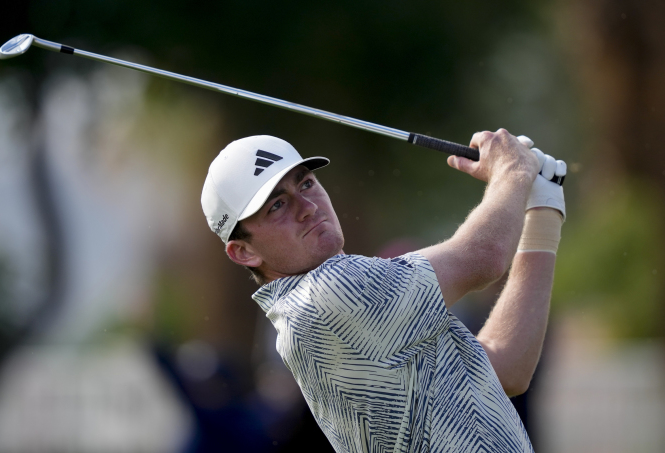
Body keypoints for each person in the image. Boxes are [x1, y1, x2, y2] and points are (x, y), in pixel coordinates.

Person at [200, 130, 566, 452]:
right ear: (243, 252)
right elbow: (484, 257)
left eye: (306, 183)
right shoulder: (328, 294)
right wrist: (512, 170)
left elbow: (503, 372)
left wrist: (542, 212)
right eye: (277, 205)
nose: (308, 208)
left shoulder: (341, 305)